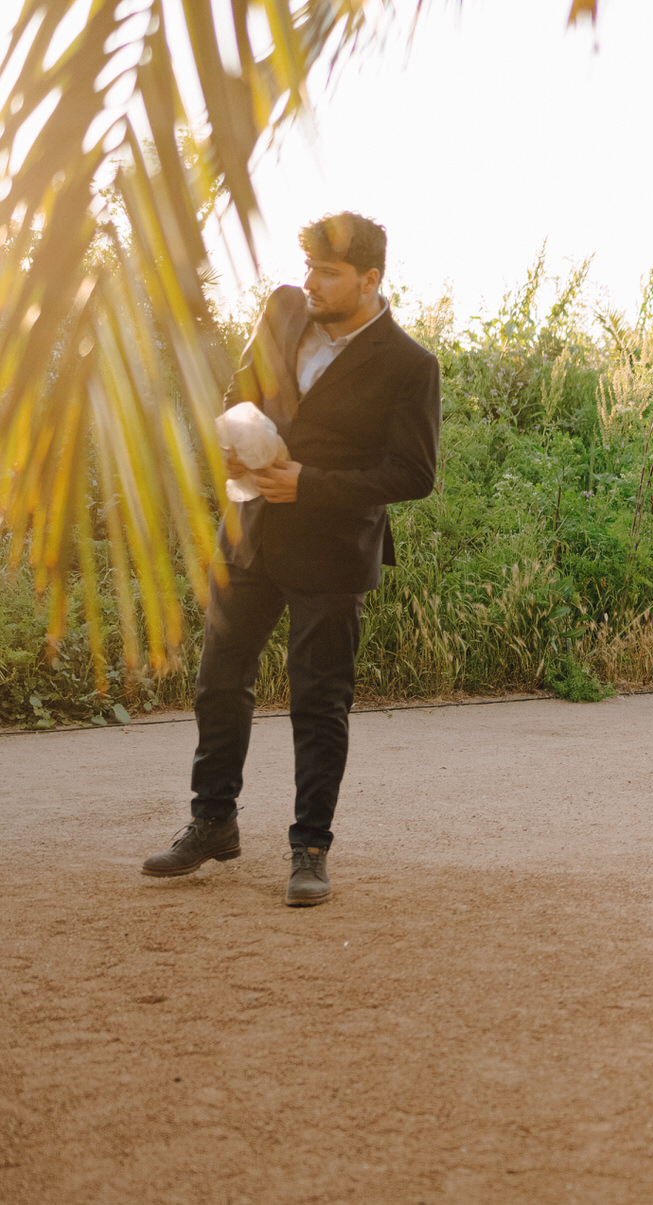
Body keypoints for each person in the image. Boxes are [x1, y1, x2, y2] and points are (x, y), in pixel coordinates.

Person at [142, 213, 442, 907]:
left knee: (318, 700)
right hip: (249, 533)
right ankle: (213, 821)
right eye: (308, 267)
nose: (311, 282)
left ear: (370, 279)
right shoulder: (283, 308)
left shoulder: (410, 364)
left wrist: (310, 483)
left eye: (328, 273)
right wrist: (242, 443)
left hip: (334, 552)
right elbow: (238, 395)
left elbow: (414, 473)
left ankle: (310, 848)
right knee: (219, 681)